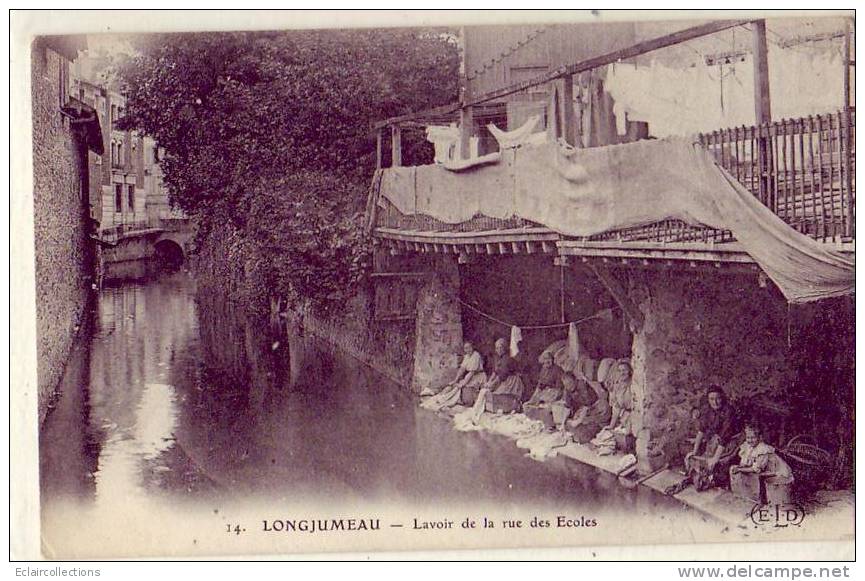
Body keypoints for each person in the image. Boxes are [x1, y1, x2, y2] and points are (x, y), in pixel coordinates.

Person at [684, 387, 740, 491]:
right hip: (715, 441)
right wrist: (694, 452)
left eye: (718, 398)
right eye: (711, 399)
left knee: (717, 463)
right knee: (702, 461)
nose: (715, 402)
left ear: (722, 398)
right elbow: (701, 431)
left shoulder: (729, 411)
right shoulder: (707, 410)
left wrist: (715, 458)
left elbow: (725, 437)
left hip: (730, 442)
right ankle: (702, 478)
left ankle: (719, 482)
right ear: (708, 399)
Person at [470, 338, 526, 422]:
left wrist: (492, 384)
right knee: (486, 390)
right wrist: (488, 382)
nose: (498, 350)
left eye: (501, 347)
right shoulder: (499, 359)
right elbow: (495, 372)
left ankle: (511, 406)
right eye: (497, 348)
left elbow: (502, 375)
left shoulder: (507, 359)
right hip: (502, 379)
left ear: (505, 348)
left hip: (510, 381)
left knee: (497, 394)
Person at [421, 341, 485, 411]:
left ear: (472, 347)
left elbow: (472, 372)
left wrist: (463, 383)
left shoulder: (476, 355)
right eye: (466, 348)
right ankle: (442, 397)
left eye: (469, 348)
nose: (467, 350)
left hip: (478, 376)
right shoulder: (466, 356)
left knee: (460, 387)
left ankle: (449, 399)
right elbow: (462, 369)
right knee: (454, 385)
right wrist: (455, 380)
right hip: (470, 376)